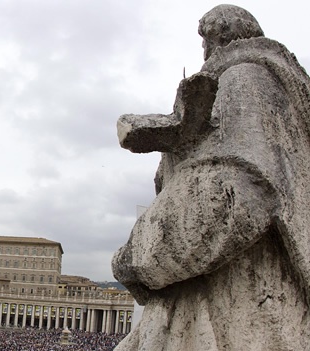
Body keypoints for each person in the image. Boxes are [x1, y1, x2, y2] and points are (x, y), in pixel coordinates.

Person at [113, 5, 310, 350]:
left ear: (217, 40)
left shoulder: (245, 79)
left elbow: (235, 195)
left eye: (206, 42)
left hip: (234, 315)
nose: (203, 52)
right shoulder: (249, 86)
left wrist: (133, 259)